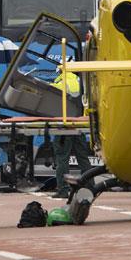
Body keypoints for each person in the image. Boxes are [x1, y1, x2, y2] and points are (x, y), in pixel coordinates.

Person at [51, 70, 92, 198]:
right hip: (78, 124)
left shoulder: (59, 83)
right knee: (83, 158)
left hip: (64, 127)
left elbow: (49, 104)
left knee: (62, 159)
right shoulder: (80, 82)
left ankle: (63, 190)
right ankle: (91, 186)